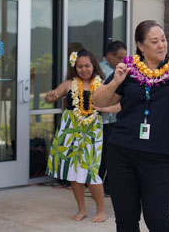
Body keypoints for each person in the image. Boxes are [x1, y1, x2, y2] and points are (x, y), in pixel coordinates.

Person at [93, 20, 169, 231]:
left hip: (159, 155)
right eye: (155, 41)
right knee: (126, 222)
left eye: (163, 40)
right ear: (141, 45)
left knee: (159, 222)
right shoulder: (128, 69)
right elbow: (99, 102)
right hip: (122, 153)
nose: (161, 45)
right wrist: (115, 82)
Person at [44, 49, 108, 223]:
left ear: (93, 66)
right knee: (73, 171)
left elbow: (117, 104)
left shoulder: (101, 84)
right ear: (75, 67)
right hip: (70, 130)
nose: (84, 69)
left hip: (91, 131)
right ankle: (82, 209)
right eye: (80, 66)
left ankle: (101, 210)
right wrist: (50, 97)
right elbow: (51, 97)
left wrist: (104, 109)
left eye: (87, 65)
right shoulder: (69, 84)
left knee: (91, 171)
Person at [98, 41, 127, 195]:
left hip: (115, 118)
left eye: (124, 58)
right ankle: (100, 184)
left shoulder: (121, 68)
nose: (122, 61)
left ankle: (110, 183)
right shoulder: (101, 69)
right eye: (119, 58)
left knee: (112, 154)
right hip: (103, 119)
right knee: (103, 153)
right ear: (110, 55)